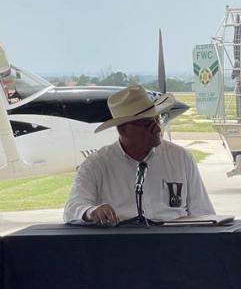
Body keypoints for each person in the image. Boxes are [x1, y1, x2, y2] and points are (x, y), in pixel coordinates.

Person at [63, 84, 214, 226]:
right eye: (147, 124)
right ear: (123, 130)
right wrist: (91, 212)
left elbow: (203, 213)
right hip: (121, 245)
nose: (157, 129)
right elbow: (72, 209)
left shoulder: (181, 158)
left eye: (157, 120)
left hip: (174, 246)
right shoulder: (97, 164)